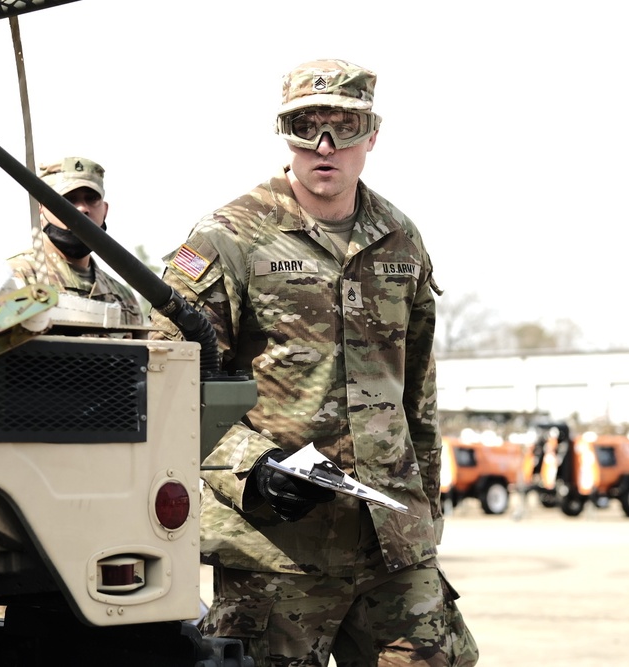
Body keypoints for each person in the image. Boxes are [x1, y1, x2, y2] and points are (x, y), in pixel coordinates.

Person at [149, 59, 478, 666]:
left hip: (390, 543)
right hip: (278, 547)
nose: (325, 146)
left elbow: (420, 393)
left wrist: (425, 511)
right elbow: (168, 385)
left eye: (344, 127)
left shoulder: (399, 238)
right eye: (306, 126)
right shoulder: (229, 238)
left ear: (372, 135)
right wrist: (250, 466)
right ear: (285, 133)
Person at [7, 156, 143, 326]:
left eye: (91, 199)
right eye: (68, 199)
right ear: (40, 209)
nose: (83, 209)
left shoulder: (123, 299)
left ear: (105, 210)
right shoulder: (14, 280)